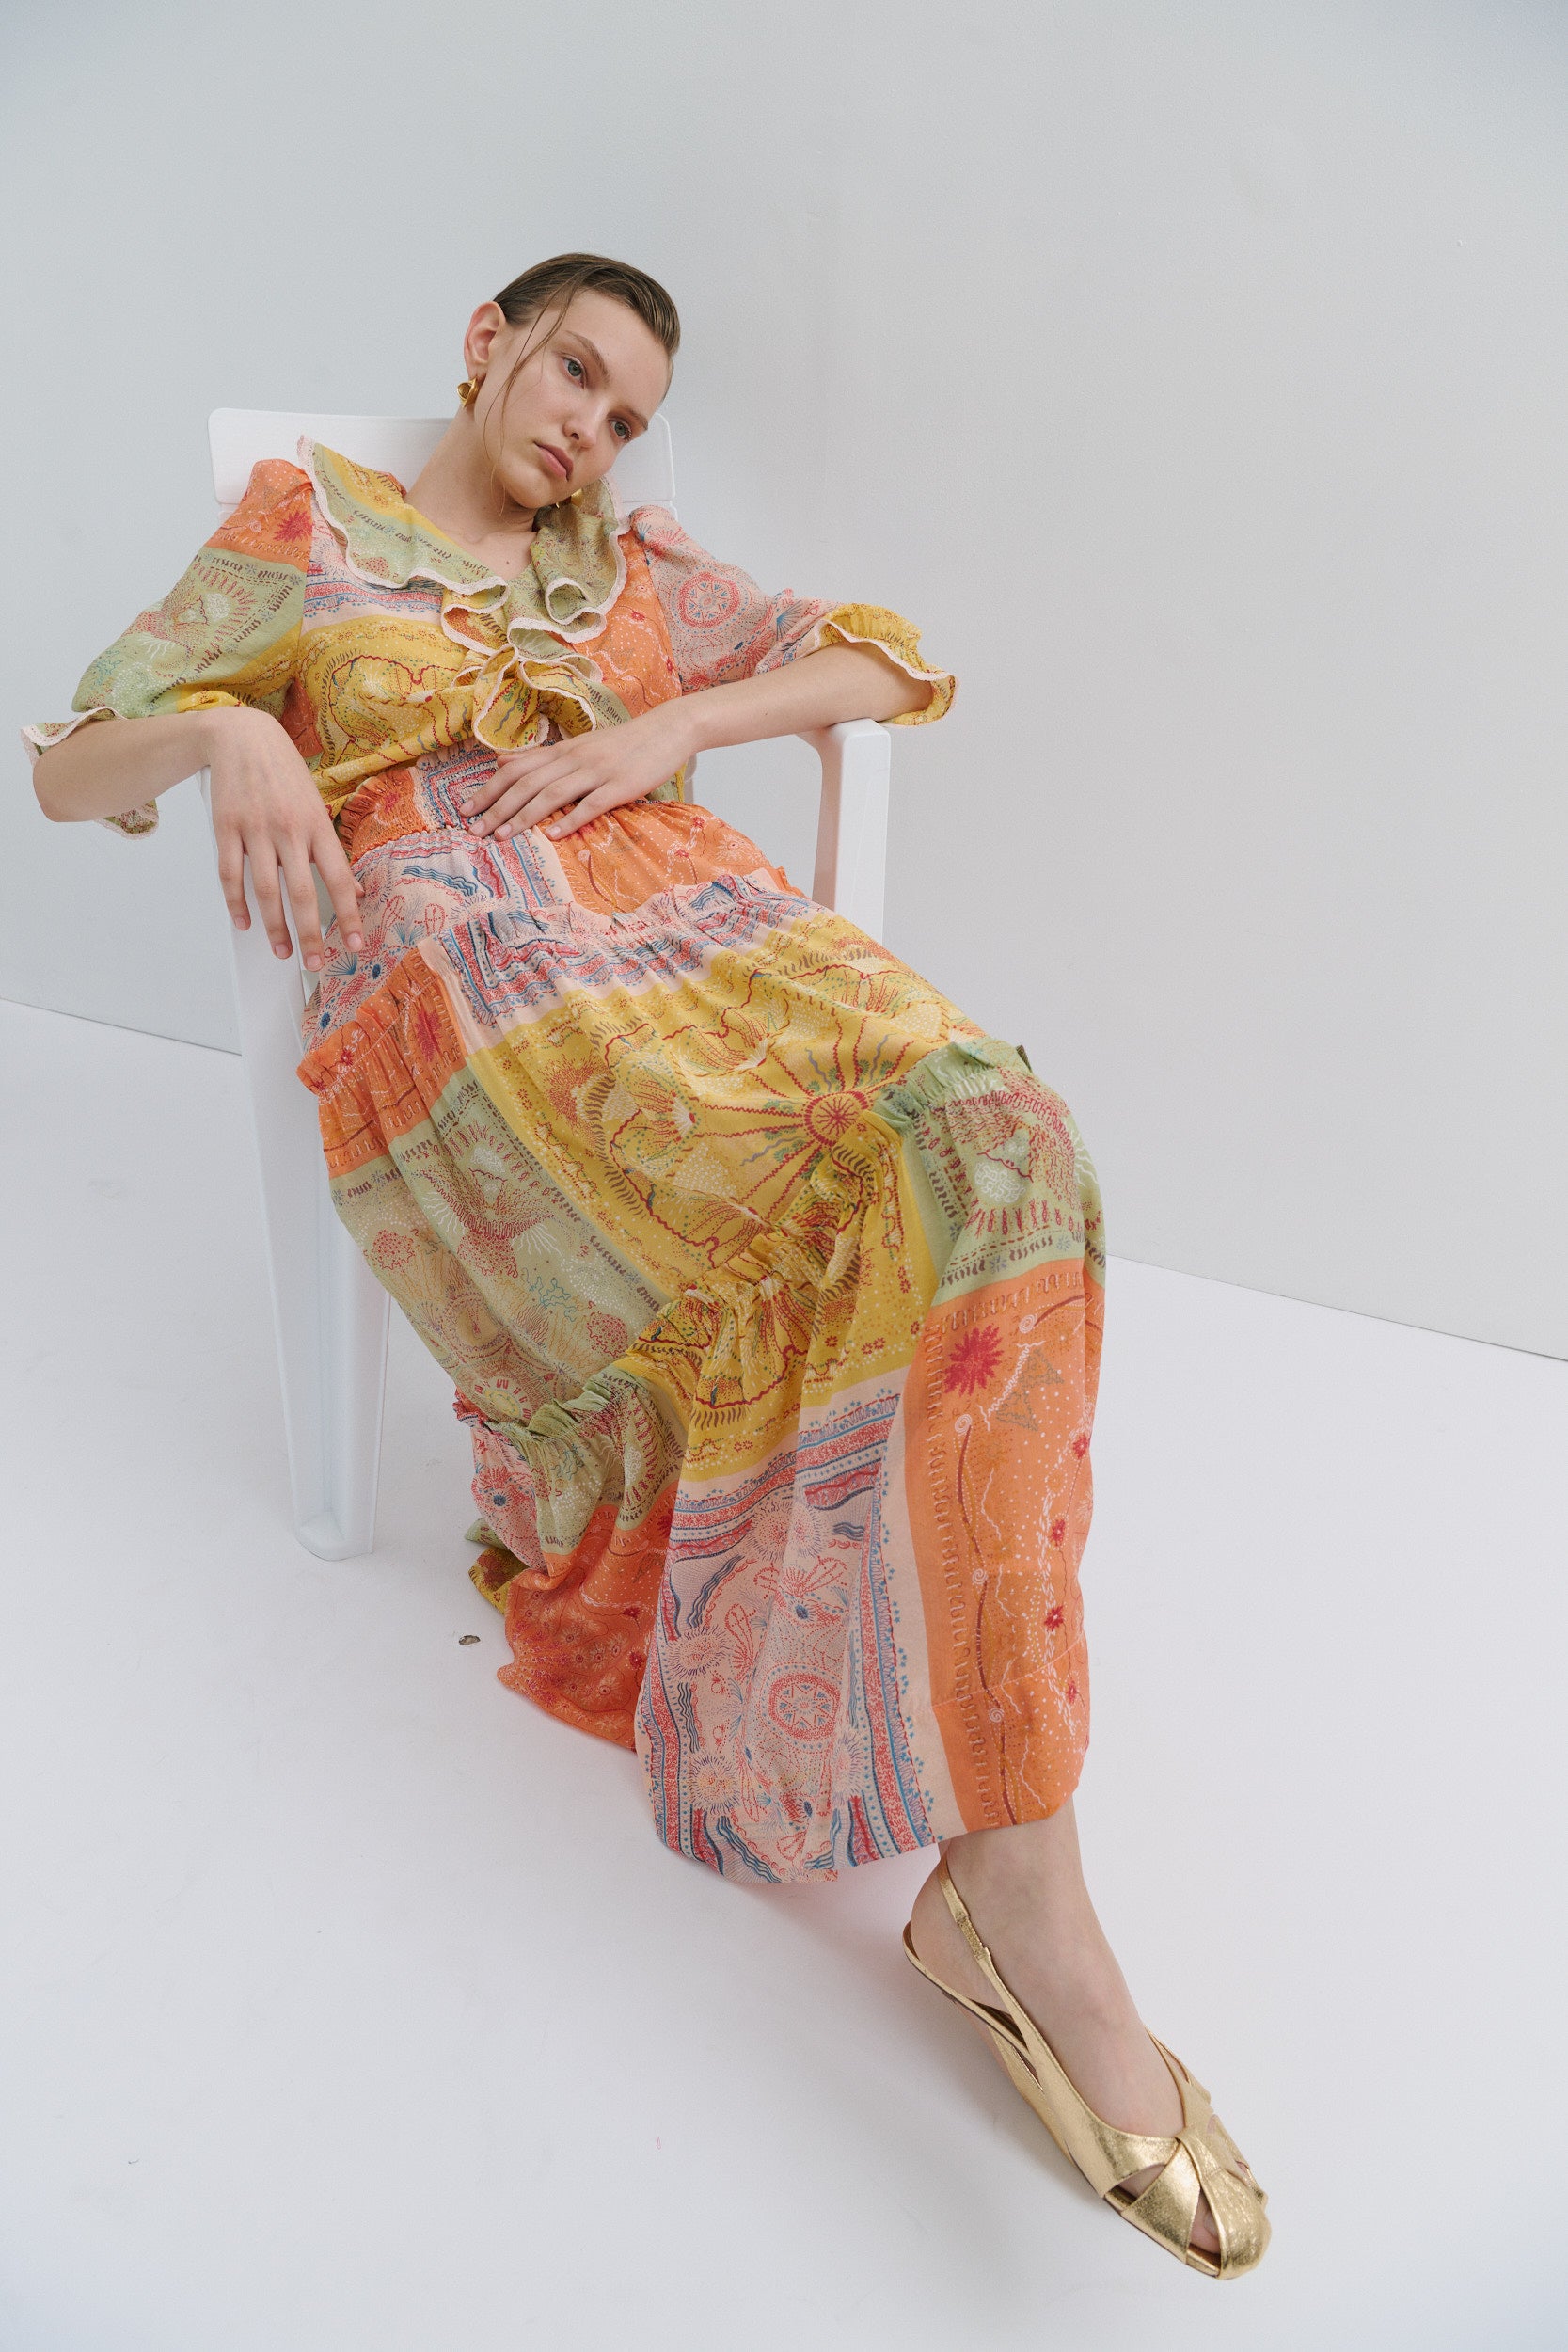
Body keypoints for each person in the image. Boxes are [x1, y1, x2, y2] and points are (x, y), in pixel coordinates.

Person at [27, 252, 1268, 2278]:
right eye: (572, 374)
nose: (586, 428)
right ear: (485, 339)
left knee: (1004, 1145)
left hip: (707, 923)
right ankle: (1027, 1900)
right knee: (783, 1217)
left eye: (621, 413)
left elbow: (878, 660)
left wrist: (676, 714)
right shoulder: (309, 530)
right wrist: (223, 742)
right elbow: (71, 754)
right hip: (475, 977)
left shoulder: (627, 560)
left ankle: (990, 1850)